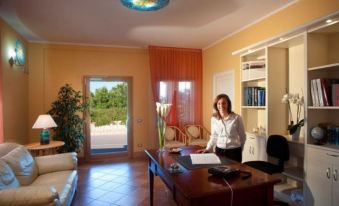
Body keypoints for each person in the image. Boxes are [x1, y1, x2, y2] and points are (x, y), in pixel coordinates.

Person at [197, 93, 246, 162]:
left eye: (224, 103)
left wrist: (240, 149)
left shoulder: (237, 118)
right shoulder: (214, 118)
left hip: (234, 152)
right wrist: (207, 148)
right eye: (219, 103)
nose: (221, 105)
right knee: (219, 171)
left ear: (228, 104)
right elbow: (214, 136)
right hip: (219, 151)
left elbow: (242, 136)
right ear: (216, 105)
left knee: (234, 172)